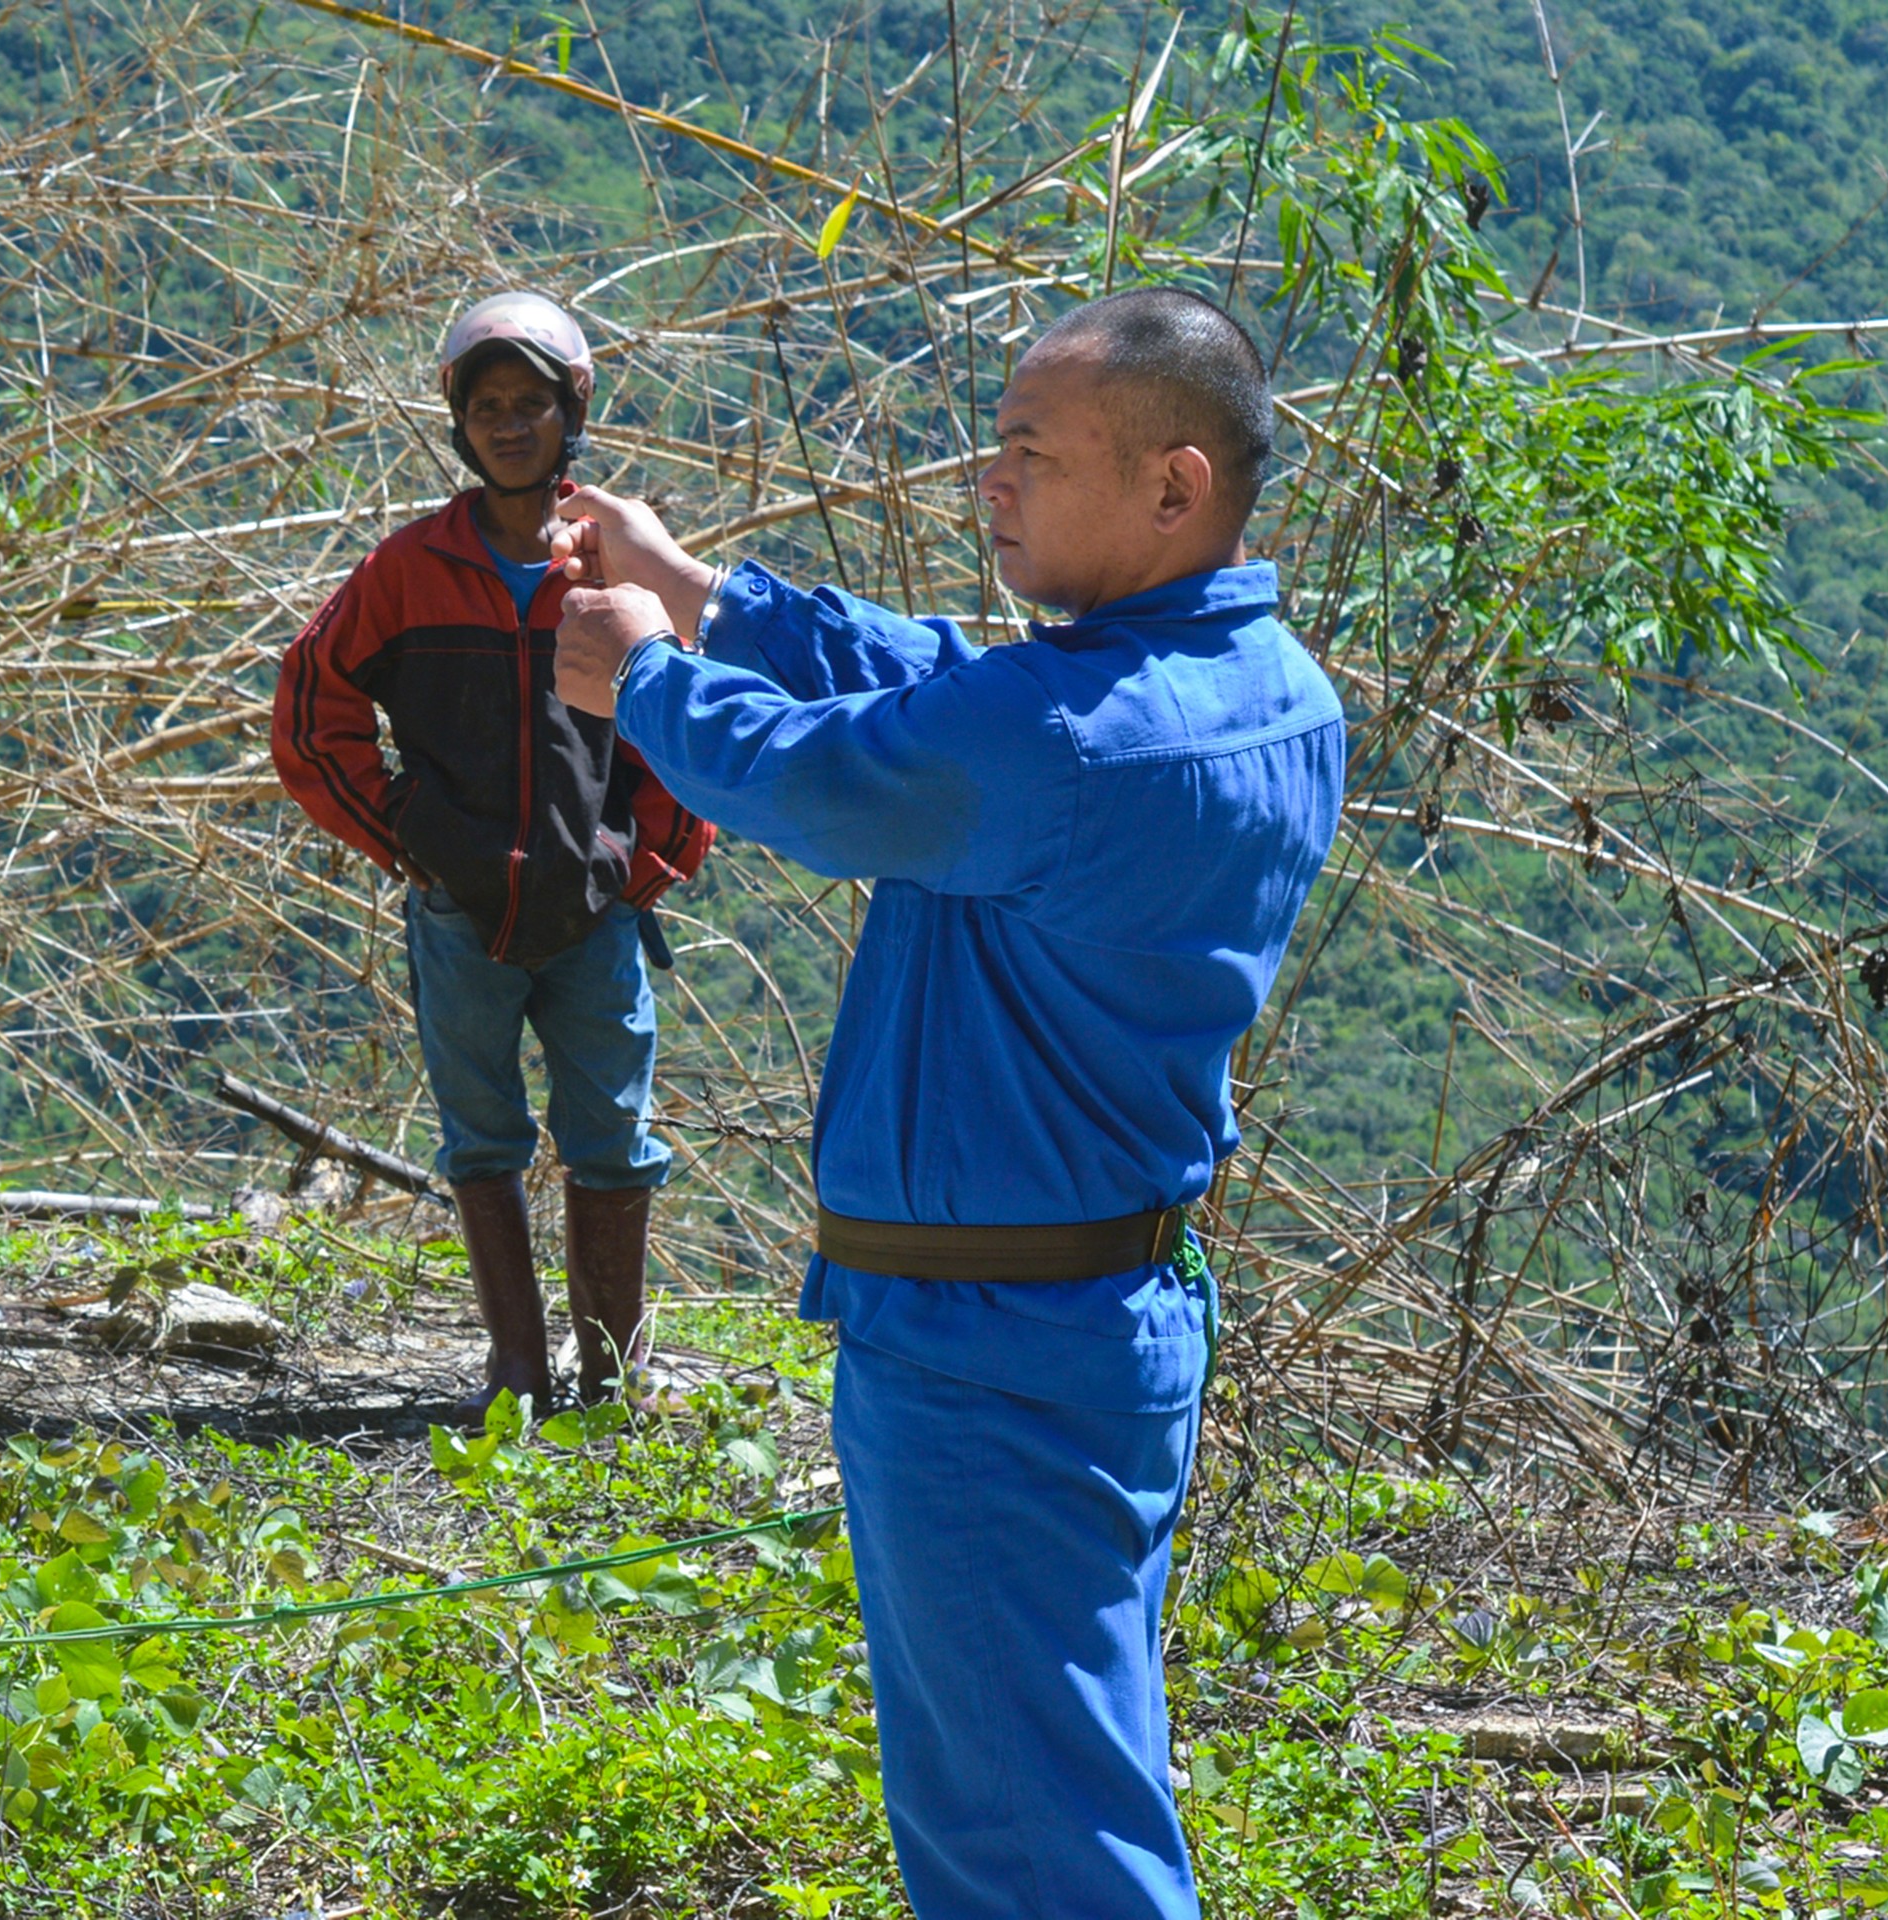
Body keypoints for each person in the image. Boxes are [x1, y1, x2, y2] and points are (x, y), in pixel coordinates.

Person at [546, 287, 1346, 1919]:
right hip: (1100, 1312)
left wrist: (645, 679)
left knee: (1017, 1840)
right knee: (1074, 1764)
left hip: (990, 1349)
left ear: (1171, 487)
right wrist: (707, 594)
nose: (988, 481)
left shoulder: (1072, 743)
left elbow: (839, 778)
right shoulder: (1261, 688)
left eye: (1030, 453)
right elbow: (944, 688)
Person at [272, 291, 714, 1421]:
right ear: (457, 424)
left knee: (613, 1135)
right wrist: (407, 841)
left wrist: (643, 861)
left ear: (575, 411)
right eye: (486, 407)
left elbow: (693, 718)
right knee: (483, 1137)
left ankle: (608, 1382)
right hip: (460, 912)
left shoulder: (615, 564)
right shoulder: (410, 571)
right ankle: (517, 1372)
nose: (508, 426)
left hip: (595, 910)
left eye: (531, 404)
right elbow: (312, 714)